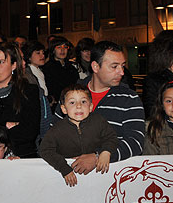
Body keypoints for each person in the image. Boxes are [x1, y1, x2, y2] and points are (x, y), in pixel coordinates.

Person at [53, 41, 145, 171]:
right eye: (114, 66)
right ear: (95, 67)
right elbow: (52, 134)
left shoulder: (129, 99)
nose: (122, 72)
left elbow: (135, 143)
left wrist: (99, 156)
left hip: (112, 179)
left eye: (122, 66)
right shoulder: (70, 95)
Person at [40, 85, 117, 187]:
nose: (79, 106)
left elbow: (111, 137)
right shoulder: (57, 129)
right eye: (72, 102)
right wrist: (64, 168)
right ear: (64, 109)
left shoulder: (99, 121)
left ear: (90, 107)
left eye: (83, 102)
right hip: (69, 178)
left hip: (97, 178)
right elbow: (45, 150)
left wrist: (106, 152)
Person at [22, 40, 55, 141]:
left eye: (43, 52)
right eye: (38, 53)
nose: (42, 55)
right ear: (29, 56)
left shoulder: (40, 71)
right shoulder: (27, 74)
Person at [42, 36, 79, 106]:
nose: (62, 50)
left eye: (65, 47)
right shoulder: (47, 68)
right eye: (59, 47)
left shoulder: (72, 68)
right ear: (53, 50)